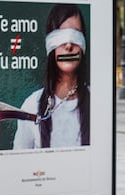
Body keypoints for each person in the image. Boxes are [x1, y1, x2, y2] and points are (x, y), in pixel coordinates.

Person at [13, 4, 90, 149]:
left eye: (75, 34)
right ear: (50, 43)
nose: (68, 45)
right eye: (60, 35)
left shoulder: (97, 102)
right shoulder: (31, 106)